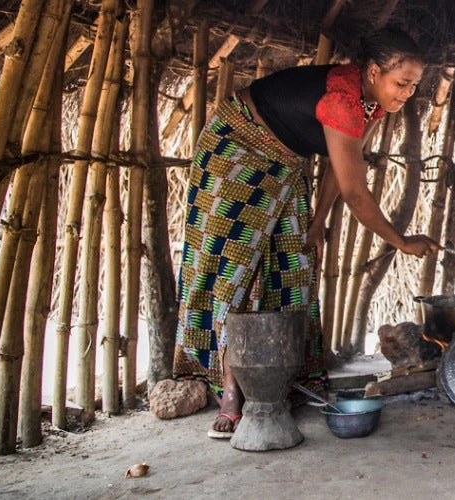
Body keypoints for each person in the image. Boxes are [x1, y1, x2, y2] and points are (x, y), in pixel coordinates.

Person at [173, 27, 440, 439]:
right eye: (402, 83)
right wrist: (401, 242)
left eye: (413, 86)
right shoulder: (342, 101)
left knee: (294, 265)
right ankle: (230, 392)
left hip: (284, 159)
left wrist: (317, 224)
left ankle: (285, 381)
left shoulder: (373, 103)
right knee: (234, 271)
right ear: (373, 72)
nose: (407, 93)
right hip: (237, 148)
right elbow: (355, 192)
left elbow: (340, 165)